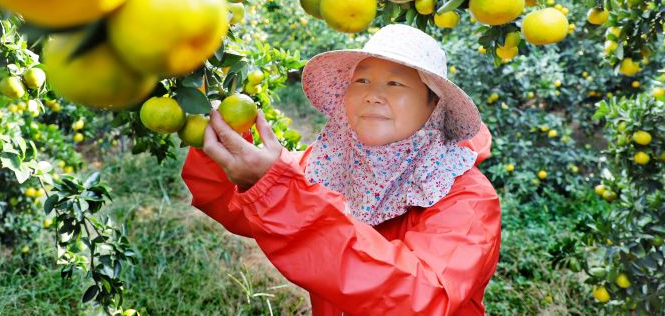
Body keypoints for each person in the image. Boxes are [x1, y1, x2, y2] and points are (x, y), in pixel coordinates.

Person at [181, 23, 502, 315]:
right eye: (361, 80)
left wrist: (279, 191)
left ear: (434, 105)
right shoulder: (330, 166)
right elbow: (239, 209)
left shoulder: (466, 199)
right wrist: (227, 148)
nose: (373, 95)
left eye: (395, 83)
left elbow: (420, 299)